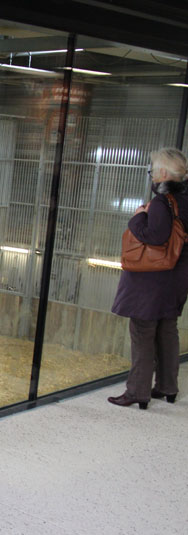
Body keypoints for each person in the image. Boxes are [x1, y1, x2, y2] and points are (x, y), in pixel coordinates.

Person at [109, 147, 188, 409]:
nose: (152, 175)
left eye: (153, 170)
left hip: (151, 282)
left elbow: (154, 236)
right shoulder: (185, 200)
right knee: (167, 330)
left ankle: (137, 392)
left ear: (164, 173)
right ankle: (168, 387)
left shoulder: (161, 203)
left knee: (142, 332)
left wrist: (137, 218)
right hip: (176, 279)